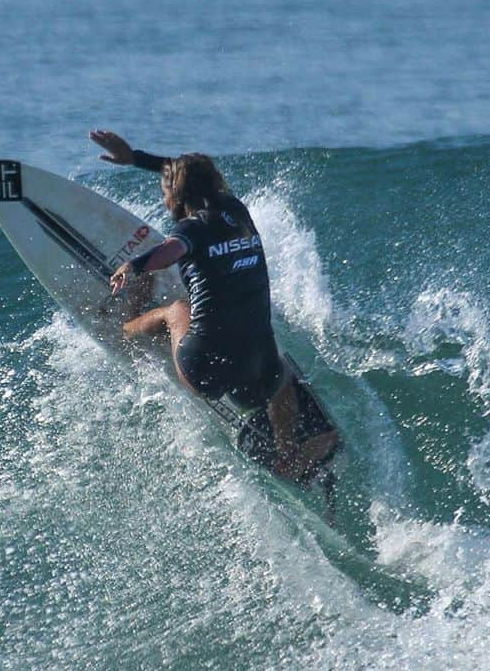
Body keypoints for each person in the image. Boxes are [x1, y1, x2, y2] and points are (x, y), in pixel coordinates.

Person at [90, 128, 339, 486]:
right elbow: (189, 178)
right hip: (260, 368)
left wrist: (135, 266)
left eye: (166, 192)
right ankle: (288, 455)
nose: (163, 198)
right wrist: (137, 159)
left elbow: (170, 251)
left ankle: (124, 329)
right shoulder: (237, 211)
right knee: (282, 380)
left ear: (176, 195)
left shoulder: (191, 229)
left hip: (203, 368)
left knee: (176, 308)